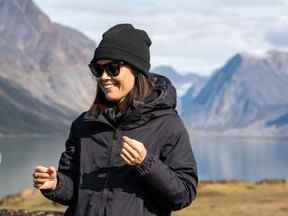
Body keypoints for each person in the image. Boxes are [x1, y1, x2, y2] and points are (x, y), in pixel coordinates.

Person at [32, 23, 198, 216]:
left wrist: (146, 163)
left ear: (136, 70)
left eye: (112, 68)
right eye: (97, 69)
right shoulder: (83, 125)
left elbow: (183, 195)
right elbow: (73, 191)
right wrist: (55, 184)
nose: (104, 77)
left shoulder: (168, 125)